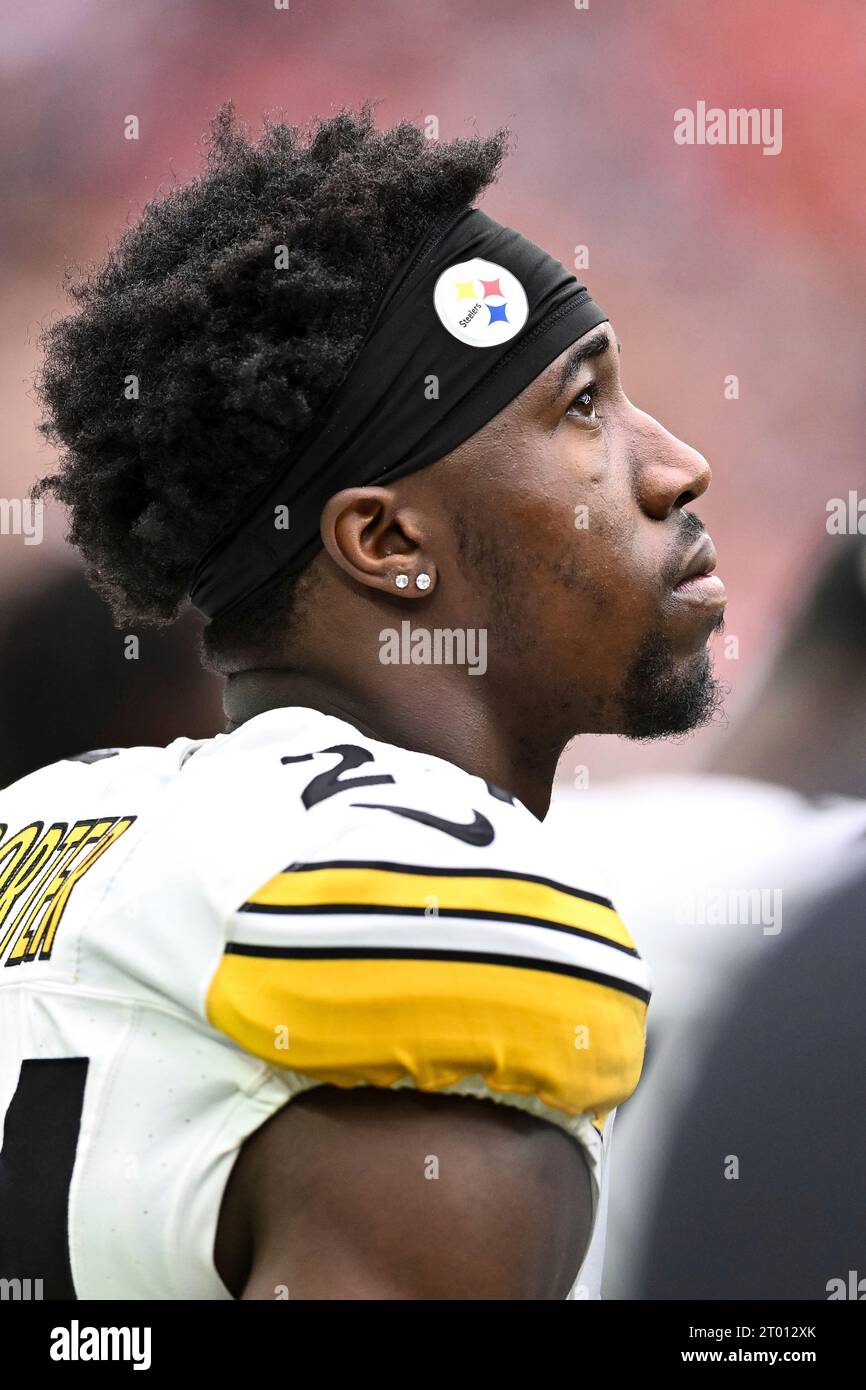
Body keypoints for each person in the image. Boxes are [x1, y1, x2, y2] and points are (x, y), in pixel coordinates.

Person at [0, 104, 724, 1300]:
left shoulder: (49, 821)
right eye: (580, 408)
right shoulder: (441, 915)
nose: (674, 463)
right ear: (385, 542)